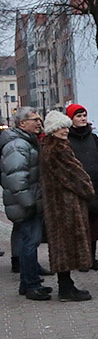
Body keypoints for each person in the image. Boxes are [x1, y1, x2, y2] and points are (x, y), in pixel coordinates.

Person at [39, 111, 94, 301]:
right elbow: (73, 174)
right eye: (61, 127)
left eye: (66, 127)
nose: (65, 130)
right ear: (53, 130)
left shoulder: (49, 146)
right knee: (66, 245)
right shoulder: (58, 148)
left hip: (57, 203)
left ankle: (66, 284)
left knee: (61, 245)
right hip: (64, 204)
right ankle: (65, 288)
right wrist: (88, 189)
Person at [0, 107, 52, 299]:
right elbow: (16, 177)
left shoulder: (24, 142)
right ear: (22, 123)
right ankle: (32, 285)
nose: (39, 122)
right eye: (34, 119)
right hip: (25, 204)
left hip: (26, 201)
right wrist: (29, 203)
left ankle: (27, 283)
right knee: (30, 244)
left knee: (28, 243)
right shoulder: (17, 145)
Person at [66, 104, 98, 271]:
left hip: (95, 188)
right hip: (77, 190)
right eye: (78, 116)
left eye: (84, 115)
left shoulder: (93, 138)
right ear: (71, 119)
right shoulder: (67, 139)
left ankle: (92, 257)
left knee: (93, 226)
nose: (83, 118)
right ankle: (80, 259)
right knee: (79, 227)